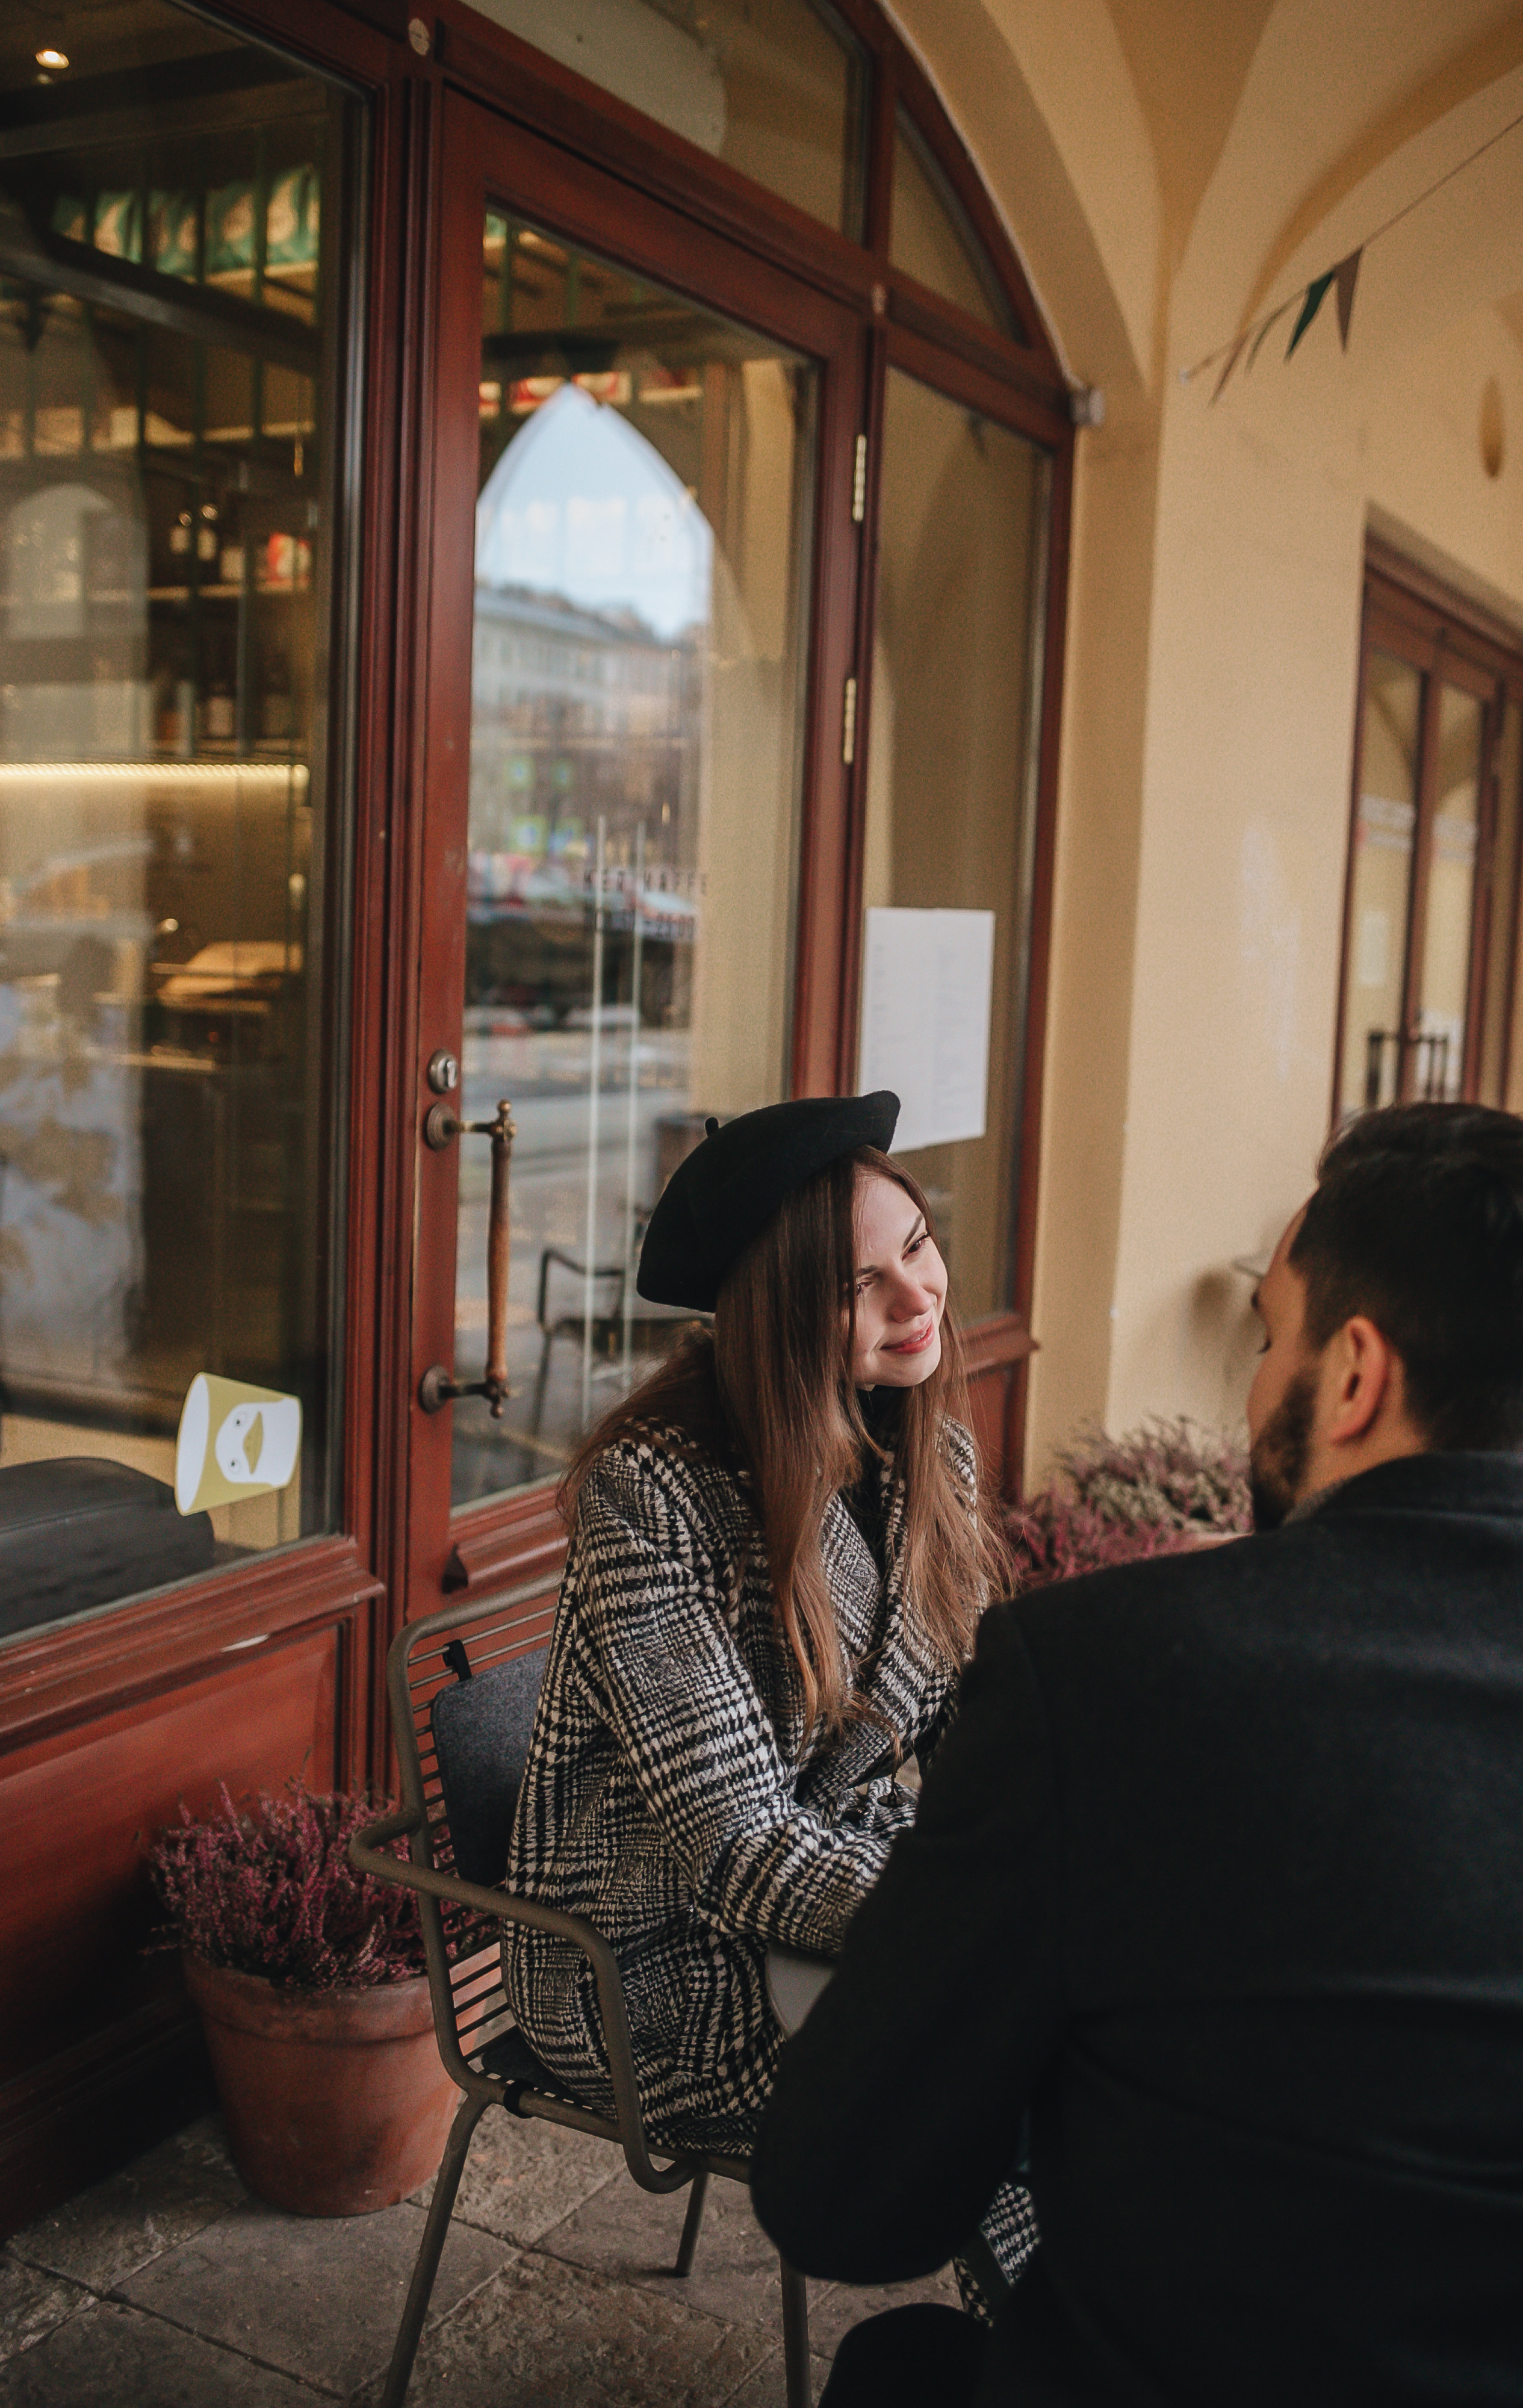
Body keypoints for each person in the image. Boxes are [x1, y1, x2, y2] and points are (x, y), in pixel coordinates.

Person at [752, 1100, 1523, 2407]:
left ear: (1352, 1373)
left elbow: (842, 2200)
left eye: (1268, 1336)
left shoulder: (1108, 1673)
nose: (1250, 1379)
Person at [501, 1091, 1035, 2279]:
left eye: (917, 1245)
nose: (917, 1294)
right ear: (778, 1315)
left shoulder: (923, 1441)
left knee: (1085, 2042)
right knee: (1004, 2075)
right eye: (858, 1285)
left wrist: (1034, 1853)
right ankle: (1055, 2350)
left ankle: (1092, 2342)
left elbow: (970, 1724)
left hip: (827, 1894)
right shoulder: (653, 1487)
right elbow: (732, 1841)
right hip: (643, 1959)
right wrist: (973, 1915)